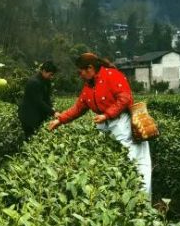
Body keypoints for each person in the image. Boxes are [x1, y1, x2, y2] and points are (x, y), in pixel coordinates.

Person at [48, 52, 152, 196]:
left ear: (90, 68)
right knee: (115, 167)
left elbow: (125, 98)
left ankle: (142, 202)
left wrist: (107, 114)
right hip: (106, 126)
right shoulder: (89, 86)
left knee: (135, 164)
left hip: (123, 124)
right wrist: (60, 120)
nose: (80, 76)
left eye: (81, 72)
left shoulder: (112, 75)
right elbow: (79, 108)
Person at [18, 60, 59, 139]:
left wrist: (52, 109)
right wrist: (52, 112)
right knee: (31, 138)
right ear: (44, 71)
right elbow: (38, 102)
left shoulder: (47, 82)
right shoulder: (34, 82)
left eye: (53, 75)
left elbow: (47, 98)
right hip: (29, 116)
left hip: (38, 114)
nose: (52, 77)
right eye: (50, 74)